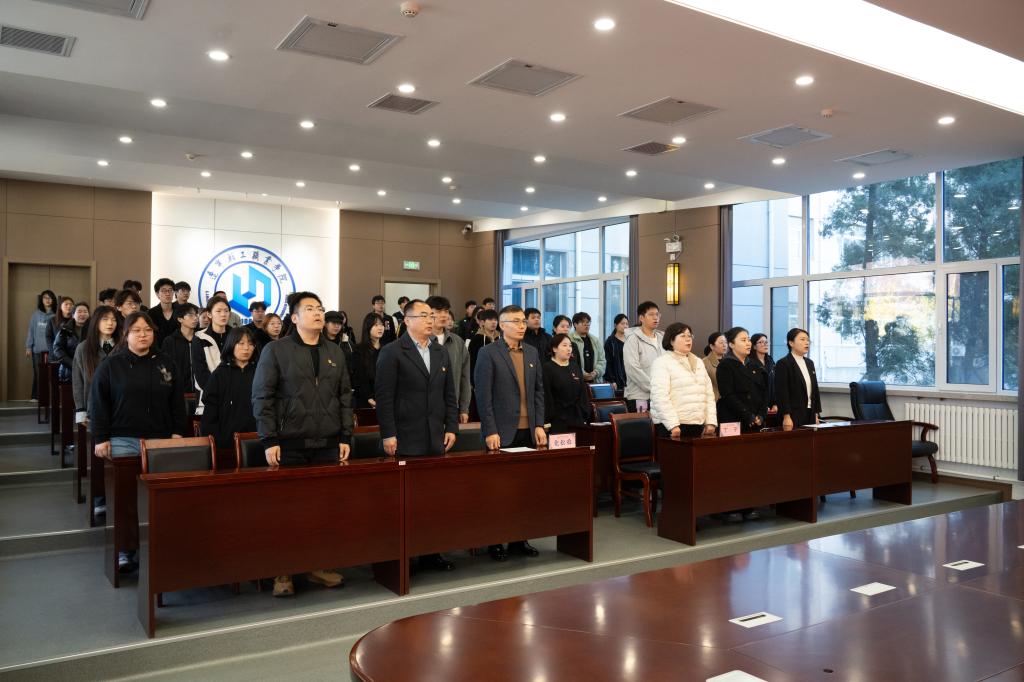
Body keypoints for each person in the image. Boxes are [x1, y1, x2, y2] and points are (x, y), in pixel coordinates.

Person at [252, 291, 352, 597]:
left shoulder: (335, 351)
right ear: (294, 318)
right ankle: (282, 572)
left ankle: (317, 566)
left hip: (327, 442)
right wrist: (269, 438)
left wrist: (345, 435)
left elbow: (345, 396)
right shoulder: (275, 350)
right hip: (288, 443)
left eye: (320, 308)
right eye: (310, 309)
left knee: (323, 511)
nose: (318, 313)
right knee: (286, 512)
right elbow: (262, 396)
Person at [90, 311, 186, 571]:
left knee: (160, 498)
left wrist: (178, 432)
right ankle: (126, 548)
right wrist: (101, 438)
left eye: (148, 330)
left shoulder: (166, 363)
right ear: (126, 334)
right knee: (126, 498)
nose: (143, 335)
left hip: (160, 440)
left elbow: (177, 401)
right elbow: (98, 403)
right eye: (136, 330)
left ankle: (160, 546)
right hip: (123, 439)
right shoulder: (112, 364)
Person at [375, 299, 459, 572]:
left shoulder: (439, 351)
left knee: (433, 500)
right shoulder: (392, 352)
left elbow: (449, 394)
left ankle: (430, 552)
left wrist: (452, 427)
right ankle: (404, 554)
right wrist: (388, 433)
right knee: (406, 502)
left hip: (435, 437)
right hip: (405, 436)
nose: (430, 320)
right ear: (407, 320)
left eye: (431, 316)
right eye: (423, 315)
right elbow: (384, 397)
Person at [474, 304, 547, 561]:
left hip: (529, 431)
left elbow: (538, 391)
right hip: (501, 432)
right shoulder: (488, 353)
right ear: (502, 325)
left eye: (523, 321)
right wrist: (490, 429)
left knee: (523, 490)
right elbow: (483, 396)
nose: (521, 325)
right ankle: (494, 541)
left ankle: (519, 540)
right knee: (498, 491)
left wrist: (539, 424)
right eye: (515, 321)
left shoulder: (532, 352)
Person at [649, 323, 717, 439]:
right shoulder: (662, 362)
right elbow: (659, 397)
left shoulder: (698, 362)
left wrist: (710, 421)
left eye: (689, 336)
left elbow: (708, 394)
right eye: (683, 336)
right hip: (672, 426)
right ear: (671, 341)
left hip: (697, 423)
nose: (688, 339)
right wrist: (672, 425)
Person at [200, 327, 259, 451]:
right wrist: (218, 442)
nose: (246, 348)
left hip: (258, 440)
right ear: (231, 344)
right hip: (226, 443)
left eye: (250, 344)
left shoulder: (261, 372)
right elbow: (210, 416)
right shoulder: (219, 375)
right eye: (241, 343)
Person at [427, 296, 472, 423]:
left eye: (446, 311)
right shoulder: (422, 340)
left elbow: (465, 377)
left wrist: (464, 408)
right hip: (425, 408)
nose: (443, 315)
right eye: (438, 311)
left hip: (451, 407)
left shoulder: (457, 342)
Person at [716, 326, 767, 434]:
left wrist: (761, 415)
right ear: (731, 344)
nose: (748, 343)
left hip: (756, 420)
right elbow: (728, 395)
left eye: (748, 340)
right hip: (733, 420)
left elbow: (763, 392)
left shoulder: (754, 364)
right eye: (743, 340)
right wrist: (748, 415)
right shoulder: (725, 365)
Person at [73, 305, 118, 427]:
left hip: (121, 408)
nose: (110, 323)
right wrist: (80, 410)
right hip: (94, 407)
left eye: (114, 319)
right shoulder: (83, 348)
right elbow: (78, 381)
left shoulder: (123, 346)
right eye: (105, 319)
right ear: (96, 321)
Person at [774, 328, 821, 430]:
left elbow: (815, 389)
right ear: (791, 343)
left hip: (810, 412)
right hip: (793, 414)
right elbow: (782, 393)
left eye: (808, 340)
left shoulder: (810, 363)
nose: (806, 342)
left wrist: (816, 414)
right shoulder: (783, 363)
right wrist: (786, 416)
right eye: (802, 339)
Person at [543, 334, 590, 434]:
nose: (569, 349)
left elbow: (583, 393)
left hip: (577, 417)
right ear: (555, 349)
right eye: (564, 345)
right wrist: (546, 421)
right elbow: (547, 397)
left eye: (570, 346)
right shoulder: (547, 368)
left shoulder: (575, 366)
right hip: (557, 420)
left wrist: (584, 414)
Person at [623, 301, 664, 412]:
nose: (655, 318)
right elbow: (632, 369)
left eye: (657, 314)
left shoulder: (662, 338)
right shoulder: (633, 339)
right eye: (651, 315)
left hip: (660, 396)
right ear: (641, 318)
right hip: (640, 396)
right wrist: (654, 387)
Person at [160, 303, 199, 415]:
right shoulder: (170, 341)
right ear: (180, 319)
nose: (195, 318)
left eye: (196, 314)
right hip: (179, 394)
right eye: (191, 315)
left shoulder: (202, 339)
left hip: (201, 394)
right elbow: (165, 369)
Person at [192, 296, 231, 396]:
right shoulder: (199, 338)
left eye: (226, 311)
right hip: (209, 395)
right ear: (209, 314)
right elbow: (200, 372)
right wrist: (216, 390)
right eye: (218, 311)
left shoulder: (236, 336)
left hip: (234, 393)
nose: (223, 314)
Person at [24, 289, 56, 400]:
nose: (47, 300)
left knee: (51, 374)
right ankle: (36, 396)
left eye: (50, 298)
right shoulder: (36, 315)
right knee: (38, 374)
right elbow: (31, 331)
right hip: (37, 350)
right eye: (45, 298)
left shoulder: (56, 315)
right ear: (41, 300)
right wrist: (28, 346)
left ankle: (50, 398)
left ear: (53, 300)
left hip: (52, 350)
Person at [51, 302, 90, 383]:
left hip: (89, 369)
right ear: (73, 315)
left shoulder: (94, 329)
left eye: (85, 312)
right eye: (79, 312)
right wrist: (72, 364)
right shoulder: (65, 329)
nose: (82, 314)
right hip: (69, 370)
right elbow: (57, 349)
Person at [352, 314, 385, 408]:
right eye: (376, 325)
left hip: (384, 398)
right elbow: (358, 377)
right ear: (368, 327)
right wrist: (369, 397)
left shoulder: (387, 349)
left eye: (381, 324)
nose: (380, 328)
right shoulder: (359, 350)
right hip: (365, 399)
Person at [569, 312, 606, 383]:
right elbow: (570, 361)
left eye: (588, 322)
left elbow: (602, 360)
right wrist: (582, 373)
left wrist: (596, 372)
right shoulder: (569, 339)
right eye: (583, 322)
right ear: (575, 324)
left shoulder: (595, 340)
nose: (586, 325)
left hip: (595, 381)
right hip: (576, 381)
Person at [467, 308, 499, 385]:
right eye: (490, 319)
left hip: (499, 379)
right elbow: (472, 362)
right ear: (482, 322)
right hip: (483, 379)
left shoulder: (500, 338)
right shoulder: (476, 339)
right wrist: (473, 382)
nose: (493, 322)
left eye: (495, 320)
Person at [749, 333, 777, 414]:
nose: (765, 344)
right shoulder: (750, 362)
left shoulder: (770, 361)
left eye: (766, 342)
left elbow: (776, 383)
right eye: (761, 342)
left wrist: (776, 403)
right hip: (757, 407)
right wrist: (763, 406)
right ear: (754, 346)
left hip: (772, 406)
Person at [603, 314, 629, 394]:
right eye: (622, 323)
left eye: (627, 324)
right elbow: (608, 362)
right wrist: (612, 380)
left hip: (630, 378)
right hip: (617, 378)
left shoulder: (631, 340)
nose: (625, 326)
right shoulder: (610, 342)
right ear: (615, 325)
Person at [151, 278, 178, 347]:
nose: (168, 293)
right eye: (163, 291)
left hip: (178, 350)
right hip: (157, 350)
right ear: (157, 294)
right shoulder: (150, 313)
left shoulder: (181, 312)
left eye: (170, 290)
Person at [703, 331, 727, 401]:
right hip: (714, 401)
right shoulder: (704, 362)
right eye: (721, 342)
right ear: (712, 346)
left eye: (725, 342)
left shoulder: (729, 361)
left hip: (729, 401)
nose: (724, 345)